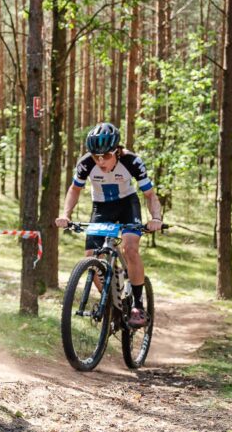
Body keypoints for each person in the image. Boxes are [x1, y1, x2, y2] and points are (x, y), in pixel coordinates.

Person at [55, 123, 163, 327]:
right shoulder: (86, 163)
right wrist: (65, 214)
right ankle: (112, 303)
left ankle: (137, 305)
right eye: (96, 156)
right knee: (91, 257)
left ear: (117, 151)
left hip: (127, 205)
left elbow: (149, 194)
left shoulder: (132, 161)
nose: (100, 161)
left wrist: (156, 218)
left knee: (130, 248)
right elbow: (74, 189)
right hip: (101, 207)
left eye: (105, 155)